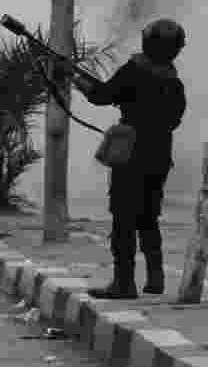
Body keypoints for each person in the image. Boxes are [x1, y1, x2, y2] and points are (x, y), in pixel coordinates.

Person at [72, 18, 188, 299]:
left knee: (123, 217)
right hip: (159, 156)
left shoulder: (134, 71)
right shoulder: (175, 83)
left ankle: (123, 283)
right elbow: (173, 121)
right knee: (149, 216)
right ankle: (155, 278)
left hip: (131, 155)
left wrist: (78, 80)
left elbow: (102, 95)